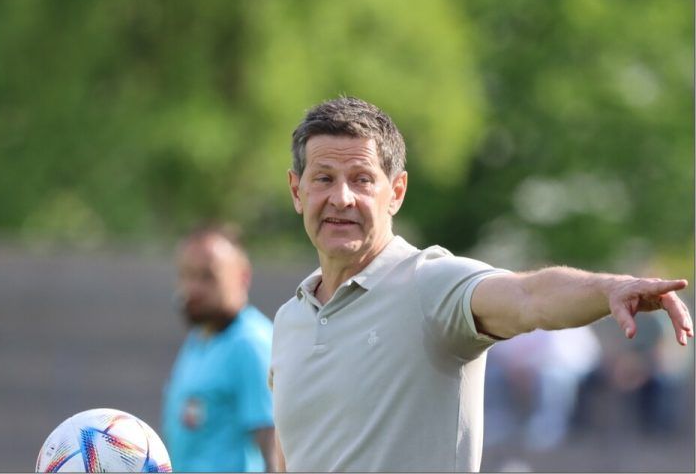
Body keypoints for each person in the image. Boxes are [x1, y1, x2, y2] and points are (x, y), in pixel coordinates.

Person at [269, 96, 693, 472]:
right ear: (296, 191)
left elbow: (528, 296)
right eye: (323, 178)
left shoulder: (428, 282)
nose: (342, 197)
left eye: (361, 179)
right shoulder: (291, 319)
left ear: (396, 192)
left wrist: (609, 288)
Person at [161, 224, 275, 472]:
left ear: (243, 277)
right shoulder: (200, 337)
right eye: (186, 275)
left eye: (207, 276)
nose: (193, 288)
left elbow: (276, 448)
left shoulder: (251, 344)